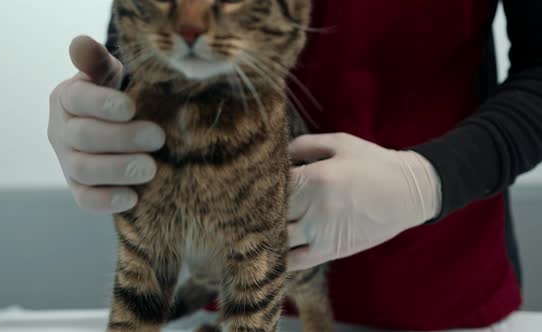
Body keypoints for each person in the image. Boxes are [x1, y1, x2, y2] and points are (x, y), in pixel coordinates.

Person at [48, 1, 542, 330]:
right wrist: (112, 97)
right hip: (228, 296)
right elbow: (140, 27)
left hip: (442, 285)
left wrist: (427, 180)